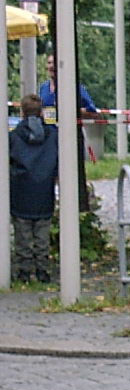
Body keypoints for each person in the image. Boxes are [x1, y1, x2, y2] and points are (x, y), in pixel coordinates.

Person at [8, 95, 57, 285]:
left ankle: (23, 271)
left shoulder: (13, 136)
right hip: (44, 191)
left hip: (20, 190)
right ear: (42, 112)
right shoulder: (52, 135)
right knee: (42, 234)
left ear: (21, 112)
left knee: (22, 234)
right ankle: (42, 269)